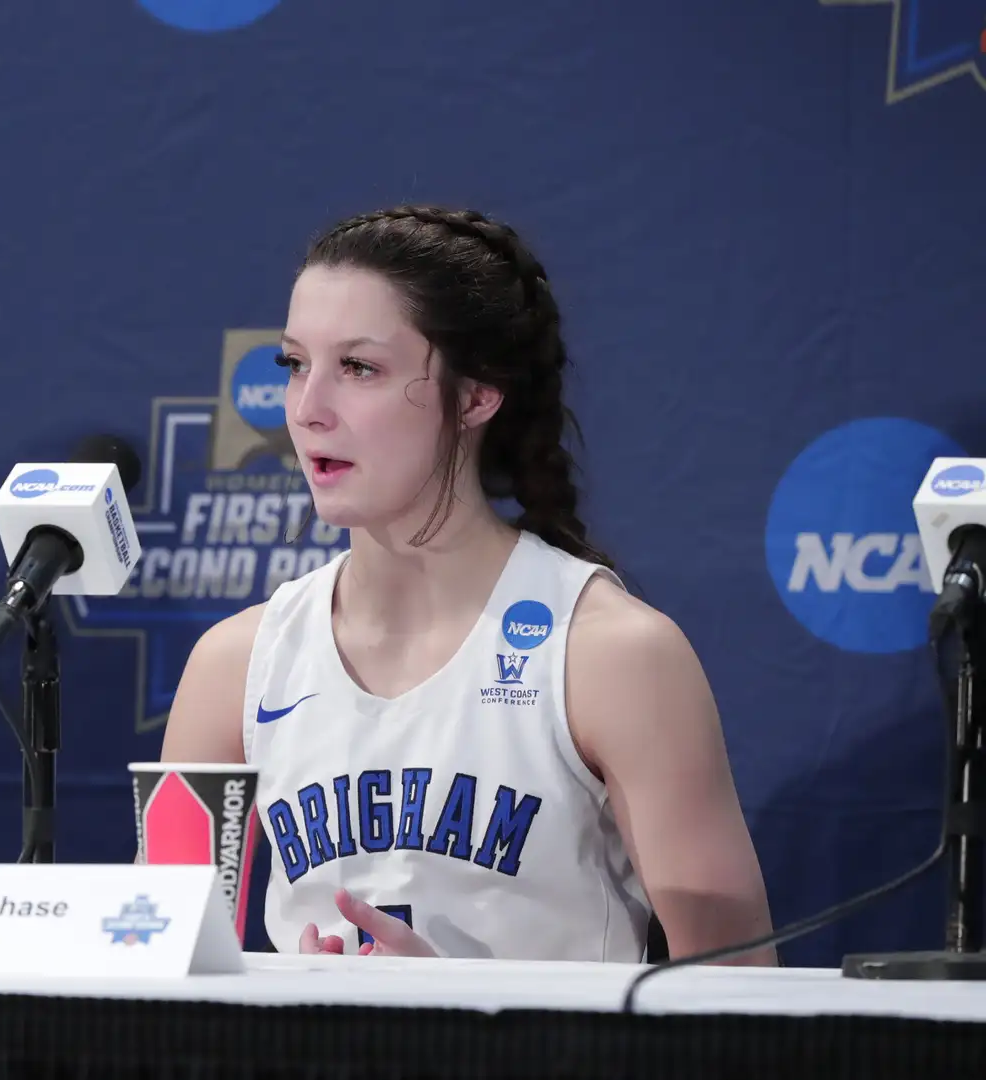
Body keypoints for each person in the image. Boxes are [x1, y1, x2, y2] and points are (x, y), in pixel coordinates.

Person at [162, 206, 775, 964]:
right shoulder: (234, 664)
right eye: (293, 364)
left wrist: (465, 1021)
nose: (308, 408)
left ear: (477, 396)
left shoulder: (611, 654)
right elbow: (166, 964)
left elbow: (741, 994)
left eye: (359, 368)